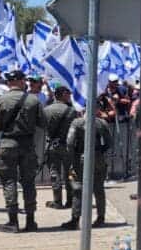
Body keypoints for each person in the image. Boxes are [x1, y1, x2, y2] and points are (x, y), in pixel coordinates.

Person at [0, 69, 46, 233]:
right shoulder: (33, 100)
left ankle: (13, 221)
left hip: (8, 144)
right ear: (22, 81)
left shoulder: (2, 100)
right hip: (27, 145)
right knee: (28, 182)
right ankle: (30, 221)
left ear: (9, 82)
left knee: (9, 181)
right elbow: (43, 123)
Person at [61, 100, 113, 230]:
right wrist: (99, 152)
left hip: (80, 158)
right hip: (98, 158)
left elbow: (70, 142)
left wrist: (72, 157)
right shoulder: (102, 123)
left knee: (78, 188)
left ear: (84, 109)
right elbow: (109, 143)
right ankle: (101, 218)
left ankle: (75, 219)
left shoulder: (77, 122)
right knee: (99, 189)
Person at [43, 85, 78, 210]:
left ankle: (57, 201)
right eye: (68, 94)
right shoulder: (72, 111)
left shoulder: (46, 110)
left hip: (52, 145)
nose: (69, 96)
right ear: (63, 94)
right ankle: (70, 201)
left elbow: (43, 126)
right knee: (70, 174)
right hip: (68, 146)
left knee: (55, 173)